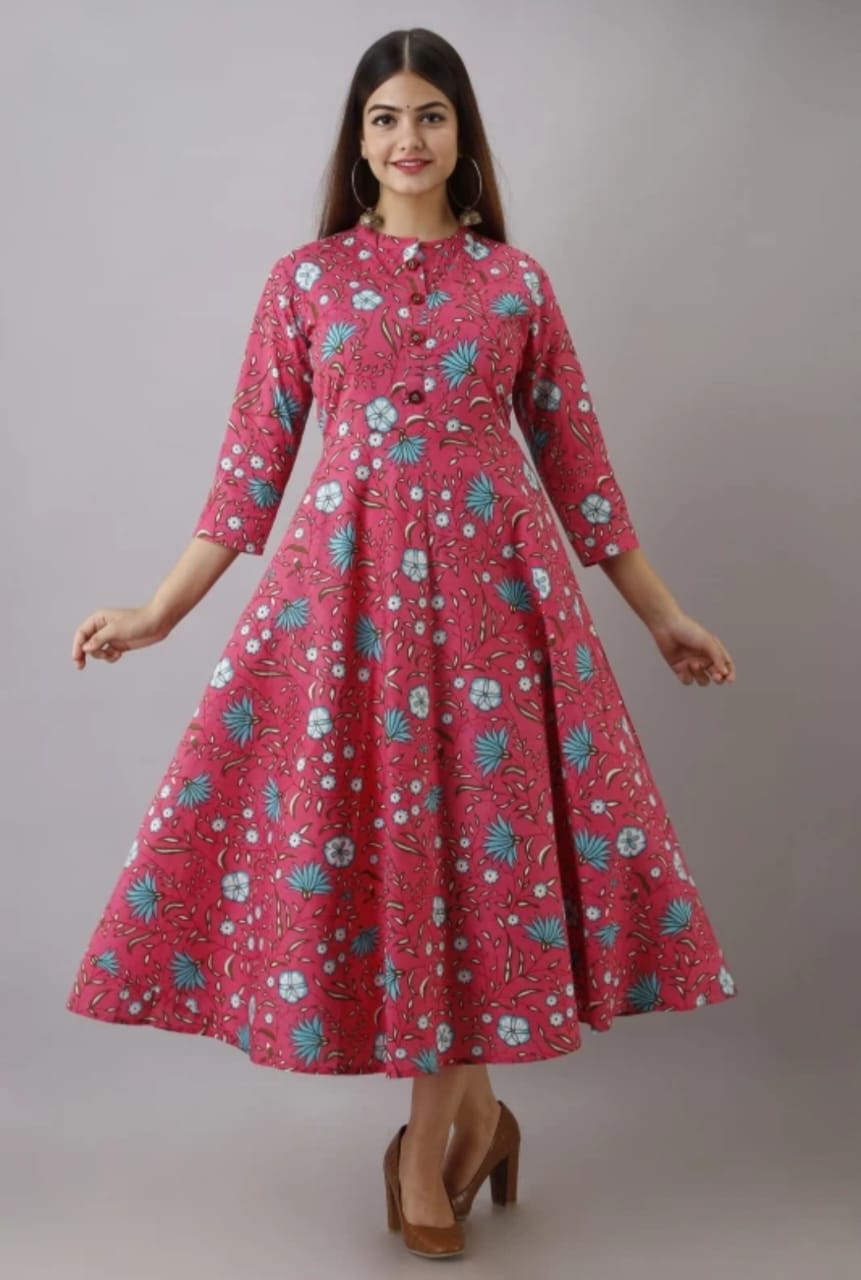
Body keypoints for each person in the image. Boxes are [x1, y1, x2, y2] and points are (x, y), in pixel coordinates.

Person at [67, 27, 738, 1260]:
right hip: (349, 615)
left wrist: (662, 612)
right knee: (401, 854)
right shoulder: (307, 282)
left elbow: (578, 464)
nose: (407, 138)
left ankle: (428, 1144)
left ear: (461, 134)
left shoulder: (515, 284)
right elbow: (250, 470)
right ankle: (477, 1118)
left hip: (499, 614)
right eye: (385, 117)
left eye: (430, 114)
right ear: (358, 139)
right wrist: (159, 610)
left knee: (480, 855)